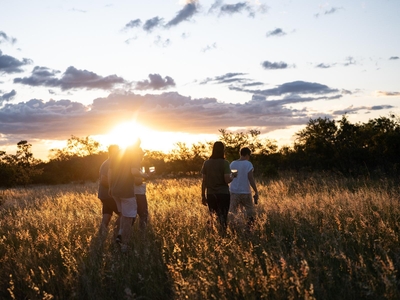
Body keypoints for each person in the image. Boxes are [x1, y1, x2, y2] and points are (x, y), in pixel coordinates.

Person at [108, 142, 148, 252]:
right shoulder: (134, 154)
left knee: (123, 215)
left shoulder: (116, 154)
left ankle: (119, 235)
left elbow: (110, 173)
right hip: (126, 191)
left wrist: (110, 188)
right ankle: (124, 245)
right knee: (129, 217)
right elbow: (134, 171)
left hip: (115, 190)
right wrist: (144, 175)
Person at [201, 141, 234, 233]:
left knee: (212, 216)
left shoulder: (206, 163)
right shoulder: (225, 163)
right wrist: (233, 176)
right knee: (223, 217)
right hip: (223, 194)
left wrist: (203, 195)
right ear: (223, 150)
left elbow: (204, 181)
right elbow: (227, 180)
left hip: (211, 194)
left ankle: (211, 234)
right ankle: (223, 234)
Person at [229, 147, 259, 229]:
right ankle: (249, 228)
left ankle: (233, 229)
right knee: (249, 212)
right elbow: (250, 178)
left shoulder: (233, 164)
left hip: (234, 191)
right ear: (247, 155)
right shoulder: (248, 164)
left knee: (233, 212)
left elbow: (233, 177)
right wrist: (255, 190)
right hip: (245, 191)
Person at [97, 144, 120, 235]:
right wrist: (115, 187)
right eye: (117, 151)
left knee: (107, 216)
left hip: (105, 195)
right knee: (123, 214)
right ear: (113, 152)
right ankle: (117, 233)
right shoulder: (108, 164)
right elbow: (103, 180)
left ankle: (101, 237)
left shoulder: (110, 162)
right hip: (108, 195)